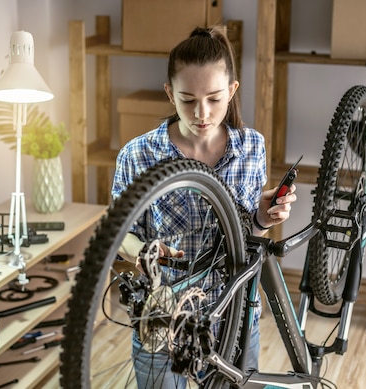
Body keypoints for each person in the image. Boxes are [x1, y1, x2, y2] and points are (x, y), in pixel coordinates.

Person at [112, 26, 297, 388]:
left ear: (232, 91)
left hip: (235, 313)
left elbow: (248, 238)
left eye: (214, 98)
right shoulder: (137, 155)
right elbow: (120, 233)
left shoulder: (251, 147)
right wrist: (145, 250)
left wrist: (263, 216)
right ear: (169, 93)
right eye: (187, 99)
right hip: (163, 315)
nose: (201, 112)